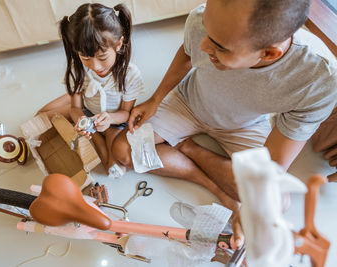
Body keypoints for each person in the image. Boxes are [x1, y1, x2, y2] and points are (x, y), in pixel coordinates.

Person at [112, 0, 337, 248]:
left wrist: (255, 203)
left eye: (220, 46)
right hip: (189, 102)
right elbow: (187, 53)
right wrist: (156, 98)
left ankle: (188, 148)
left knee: (273, 201)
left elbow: (271, 172)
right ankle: (221, 193)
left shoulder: (318, 80)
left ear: (269, 53)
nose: (204, 44)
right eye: (207, 31)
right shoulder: (203, 18)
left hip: (245, 125)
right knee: (122, 150)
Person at [38, 3, 144, 177]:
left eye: (102, 57)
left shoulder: (130, 74)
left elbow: (126, 113)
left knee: (114, 168)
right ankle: (93, 133)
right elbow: (75, 108)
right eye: (85, 58)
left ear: (119, 44)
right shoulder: (77, 69)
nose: (95, 66)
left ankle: (97, 138)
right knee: (40, 116)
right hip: (88, 110)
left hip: (114, 118)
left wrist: (108, 120)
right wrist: (80, 120)